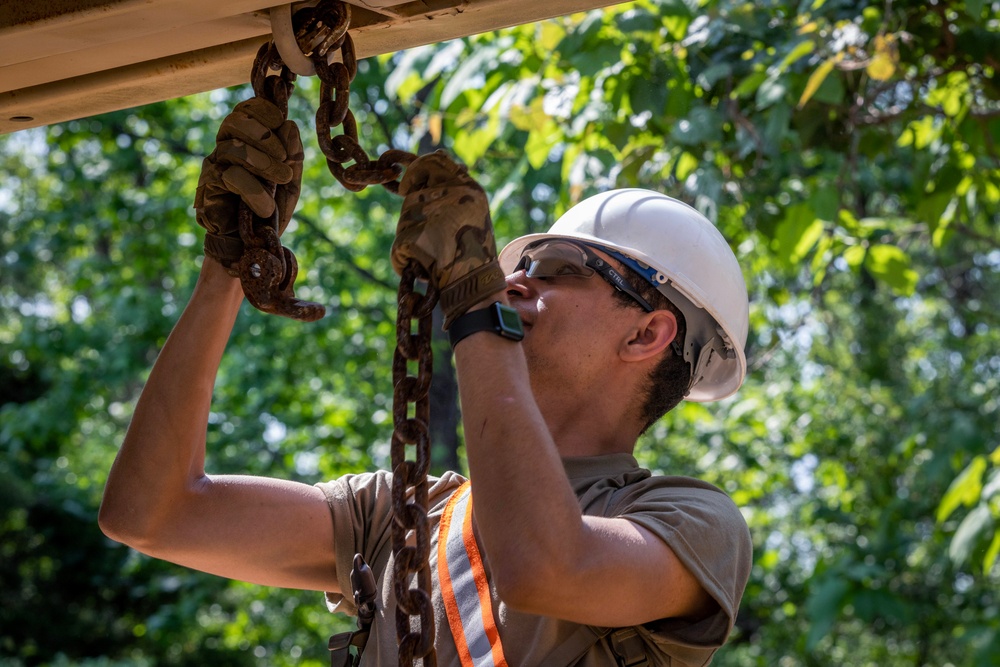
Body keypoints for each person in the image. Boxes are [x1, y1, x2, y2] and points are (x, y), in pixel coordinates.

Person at [99, 97, 753, 666]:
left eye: (558, 266)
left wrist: (476, 301)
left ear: (646, 334)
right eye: (514, 263)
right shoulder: (407, 516)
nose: (517, 277)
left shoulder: (694, 524)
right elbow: (151, 514)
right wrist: (228, 271)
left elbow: (541, 565)